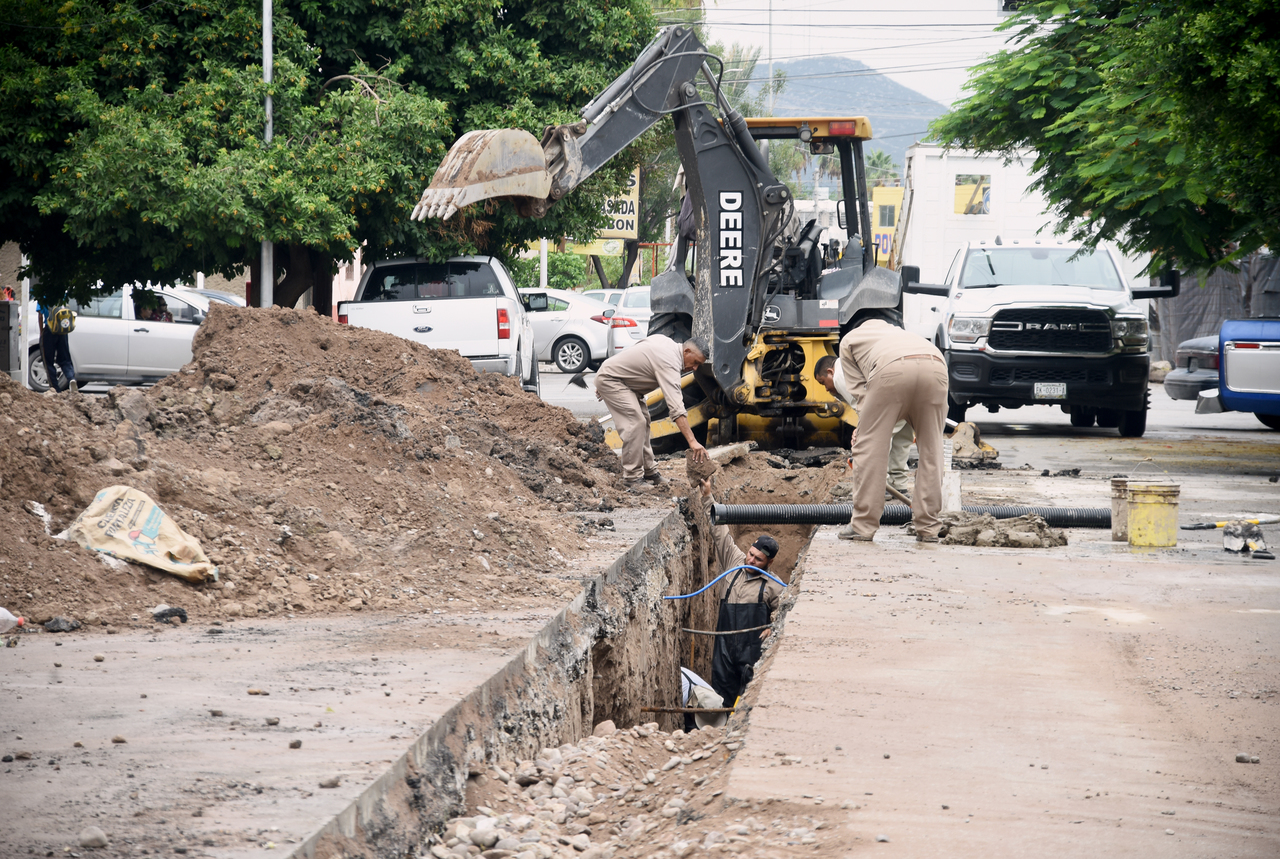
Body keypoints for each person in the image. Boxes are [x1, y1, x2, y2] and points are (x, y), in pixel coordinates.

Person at [816, 319, 947, 542]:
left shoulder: (849, 341)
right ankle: (929, 527)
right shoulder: (900, 334)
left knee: (869, 450)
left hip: (892, 370)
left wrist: (863, 431)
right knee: (932, 451)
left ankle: (863, 526)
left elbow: (862, 396)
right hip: (936, 366)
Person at [699, 477, 784, 706]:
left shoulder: (774, 585)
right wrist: (708, 496)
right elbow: (721, 533)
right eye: (750, 554)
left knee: (747, 701)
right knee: (720, 698)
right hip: (724, 648)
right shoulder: (734, 562)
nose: (751, 560)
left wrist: (772, 624)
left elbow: (786, 610)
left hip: (752, 651)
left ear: (770, 562)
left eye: (759, 559)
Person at [594, 334, 709, 489]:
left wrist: (613, 370)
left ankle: (650, 472)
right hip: (614, 380)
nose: (694, 368)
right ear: (687, 351)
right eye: (695, 362)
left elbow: (636, 353)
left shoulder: (666, 342)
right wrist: (693, 442)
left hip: (621, 380)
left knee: (645, 421)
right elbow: (676, 408)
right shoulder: (670, 362)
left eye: (698, 365)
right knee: (635, 423)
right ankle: (632, 478)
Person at [815, 354, 914, 501]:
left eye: (823, 383)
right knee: (902, 439)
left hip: (891, 397)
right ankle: (899, 486)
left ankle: (882, 486)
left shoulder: (840, 374)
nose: (826, 389)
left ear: (830, 372)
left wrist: (861, 430)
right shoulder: (854, 364)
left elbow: (865, 408)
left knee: (878, 438)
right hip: (910, 388)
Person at [36, 301, 78, 394]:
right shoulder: (61, 293)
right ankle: (71, 378)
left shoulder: (43, 296)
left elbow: (40, 315)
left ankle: (55, 388)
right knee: (65, 358)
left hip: (49, 329)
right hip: (62, 329)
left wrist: (41, 331)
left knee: (48, 361)